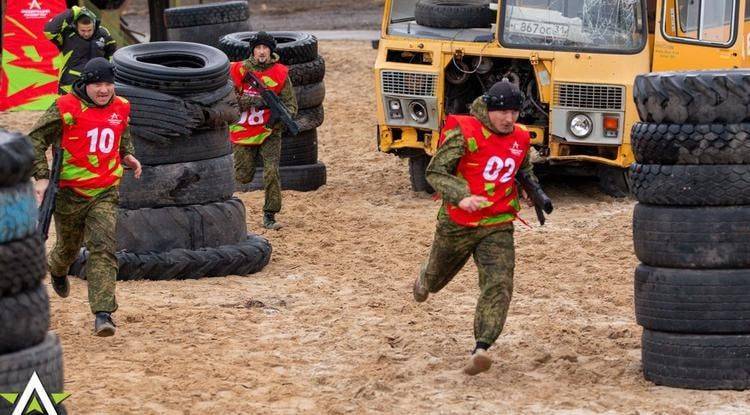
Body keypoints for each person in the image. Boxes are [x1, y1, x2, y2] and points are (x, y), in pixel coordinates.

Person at [412, 80, 544, 375]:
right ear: (489, 109)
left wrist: (531, 190)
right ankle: (423, 280)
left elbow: (523, 168)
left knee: (499, 284)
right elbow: (435, 172)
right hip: (457, 224)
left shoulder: (521, 137)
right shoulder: (465, 132)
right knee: (434, 281)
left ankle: (481, 347)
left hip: (498, 224)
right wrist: (462, 196)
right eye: (503, 112)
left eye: (514, 112)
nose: (509, 119)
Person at [29, 58, 142, 337]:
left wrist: (126, 155)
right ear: (86, 84)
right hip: (69, 193)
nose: (104, 90)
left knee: (102, 247)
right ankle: (57, 268)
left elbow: (121, 134)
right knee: (68, 248)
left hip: (105, 190)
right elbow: (34, 140)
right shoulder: (65, 106)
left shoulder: (122, 106)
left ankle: (103, 314)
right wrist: (42, 176)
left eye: (108, 84)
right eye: (97, 85)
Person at [229, 31, 297, 230]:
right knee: (243, 176)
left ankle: (270, 214)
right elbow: (229, 101)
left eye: (265, 48)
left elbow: (291, 106)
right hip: (243, 129)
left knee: (271, 172)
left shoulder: (280, 73)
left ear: (270, 51)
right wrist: (255, 101)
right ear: (253, 50)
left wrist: (282, 118)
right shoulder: (240, 70)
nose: (261, 52)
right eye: (258, 48)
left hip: (270, 131)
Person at [44, 6, 117, 94]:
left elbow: (112, 51)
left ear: (94, 25)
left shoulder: (103, 33)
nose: (86, 34)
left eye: (89, 30)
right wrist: (73, 12)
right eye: (82, 30)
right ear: (76, 26)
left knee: (94, 108)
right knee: (67, 107)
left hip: (96, 83)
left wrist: (108, 73)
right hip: (69, 83)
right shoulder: (67, 34)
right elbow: (49, 30)